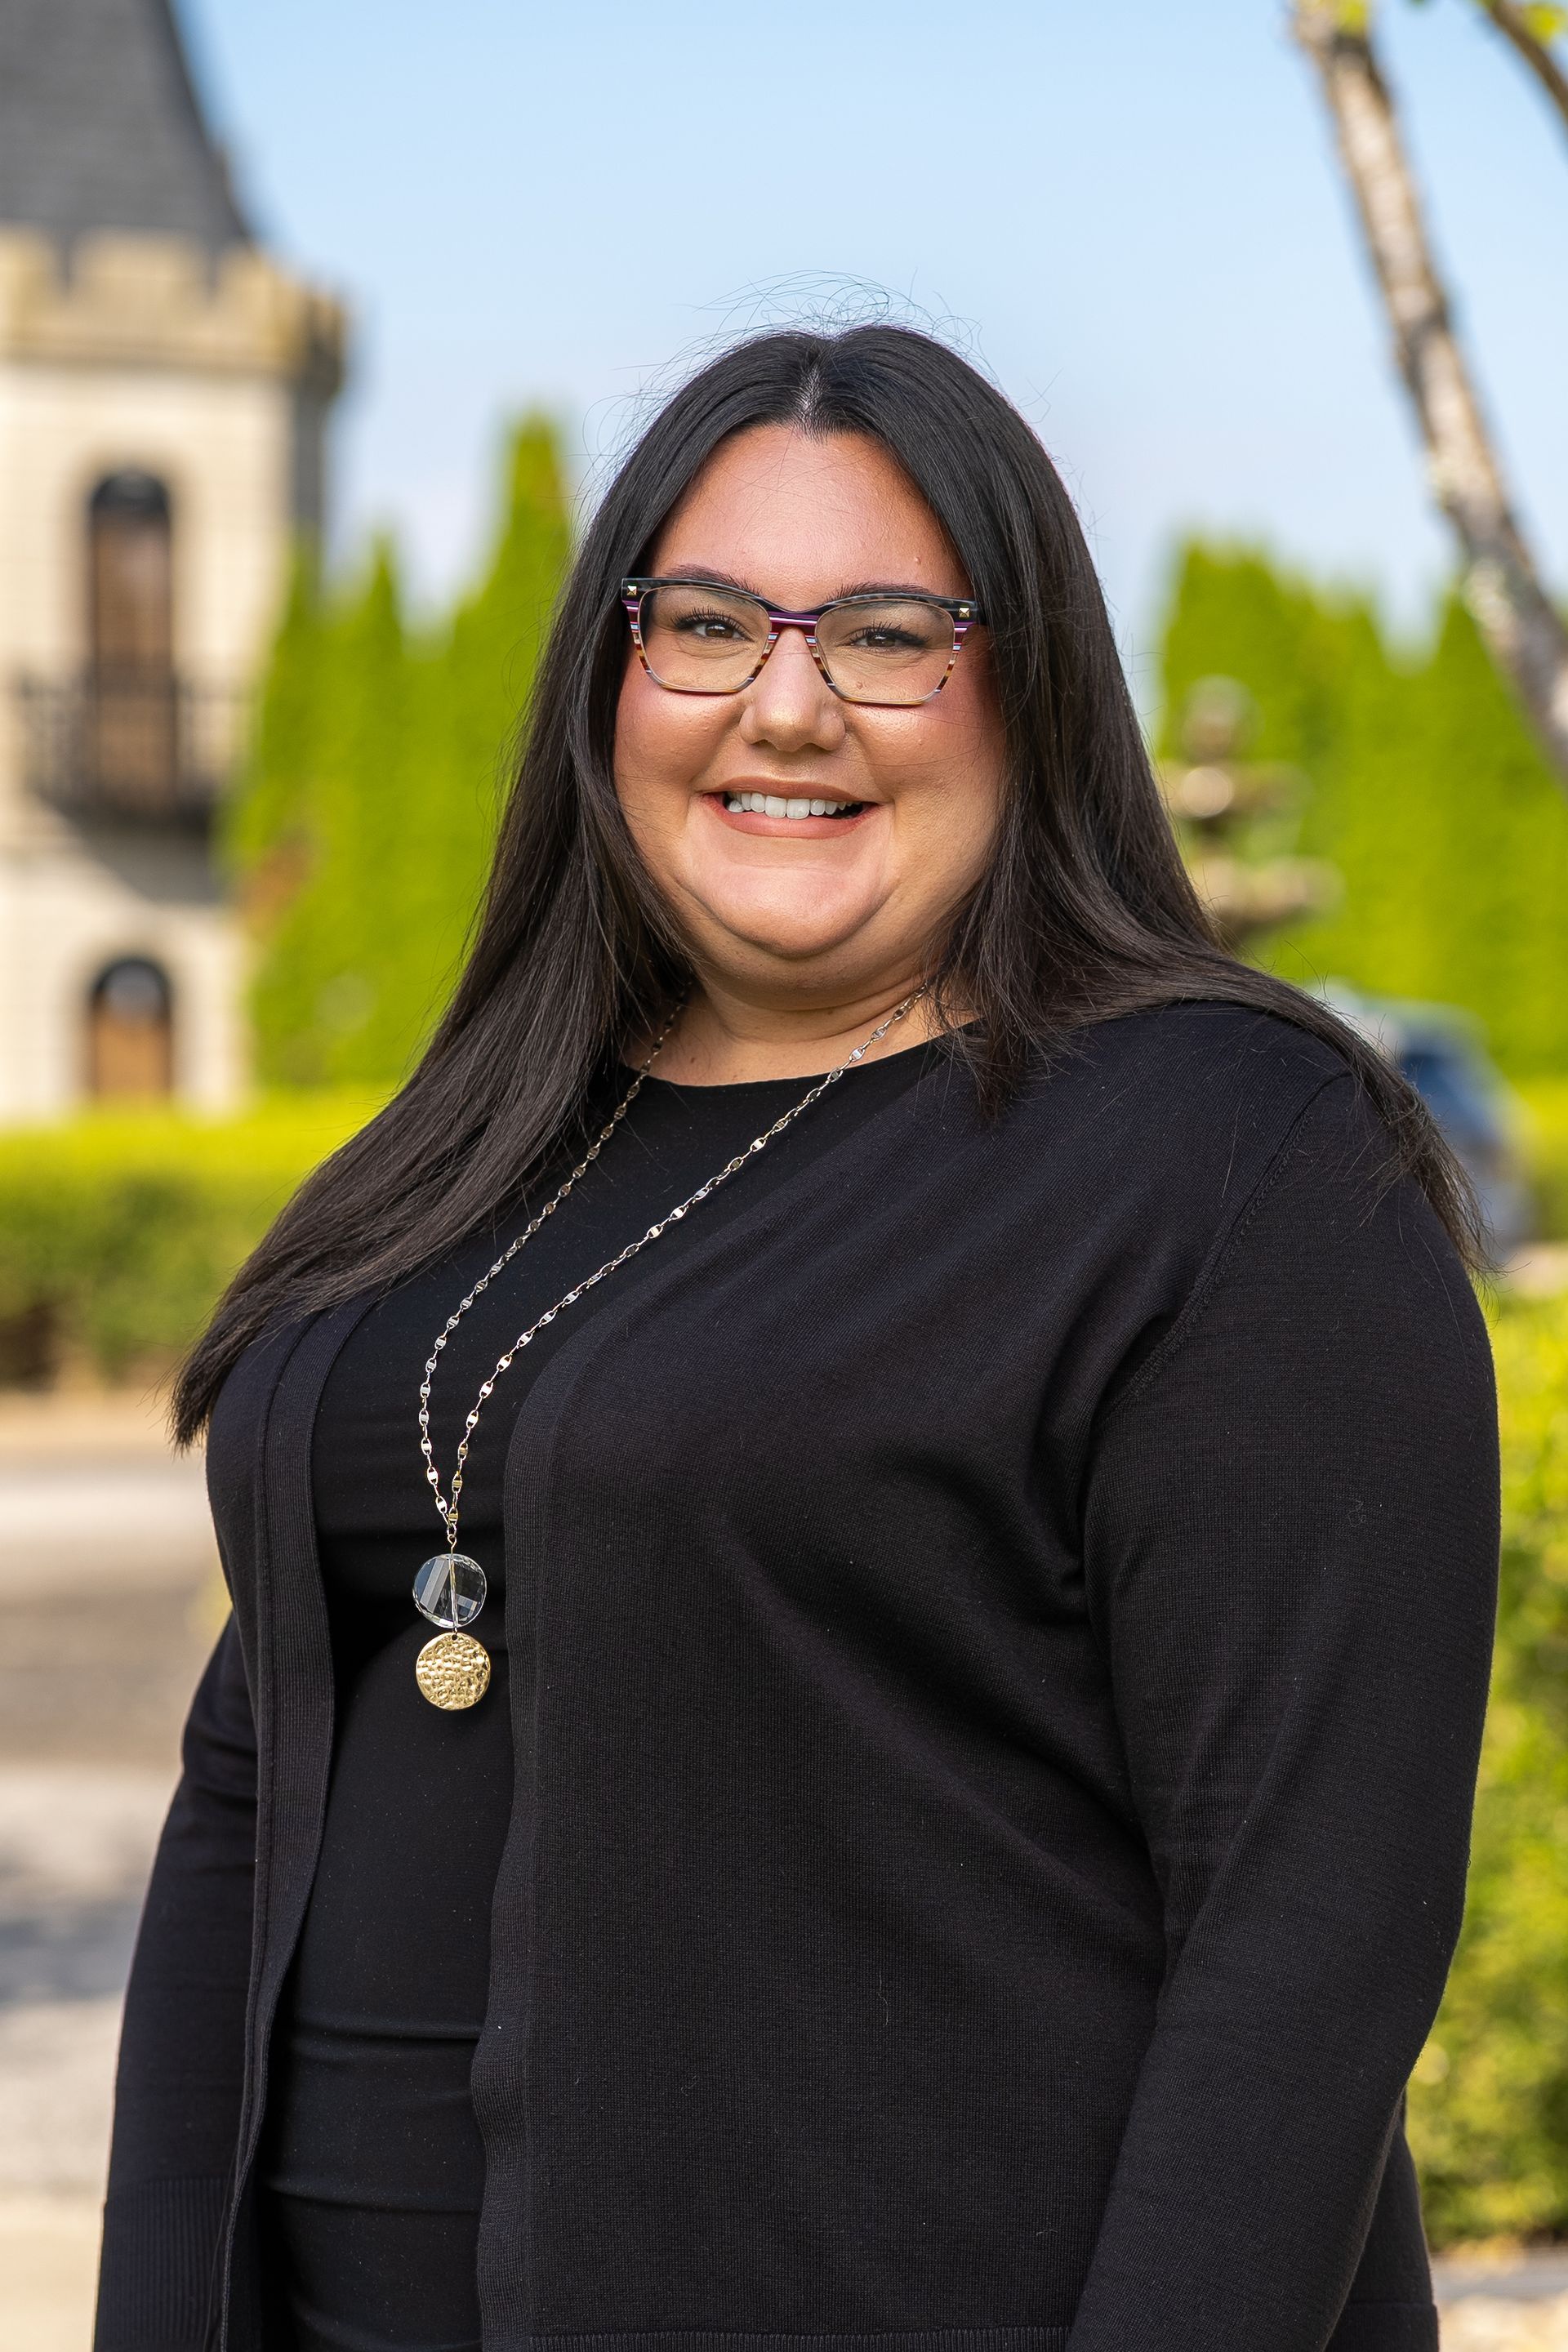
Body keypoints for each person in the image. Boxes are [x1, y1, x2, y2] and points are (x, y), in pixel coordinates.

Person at [93, 325, 1499, 2352]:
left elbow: (1310, 1942)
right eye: (712, 622)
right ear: (611, 675)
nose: (787, 704)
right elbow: (258, 1778)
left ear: (1027, 687)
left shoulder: (1228, 1158)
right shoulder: (484, 1143)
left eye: (888, 634)